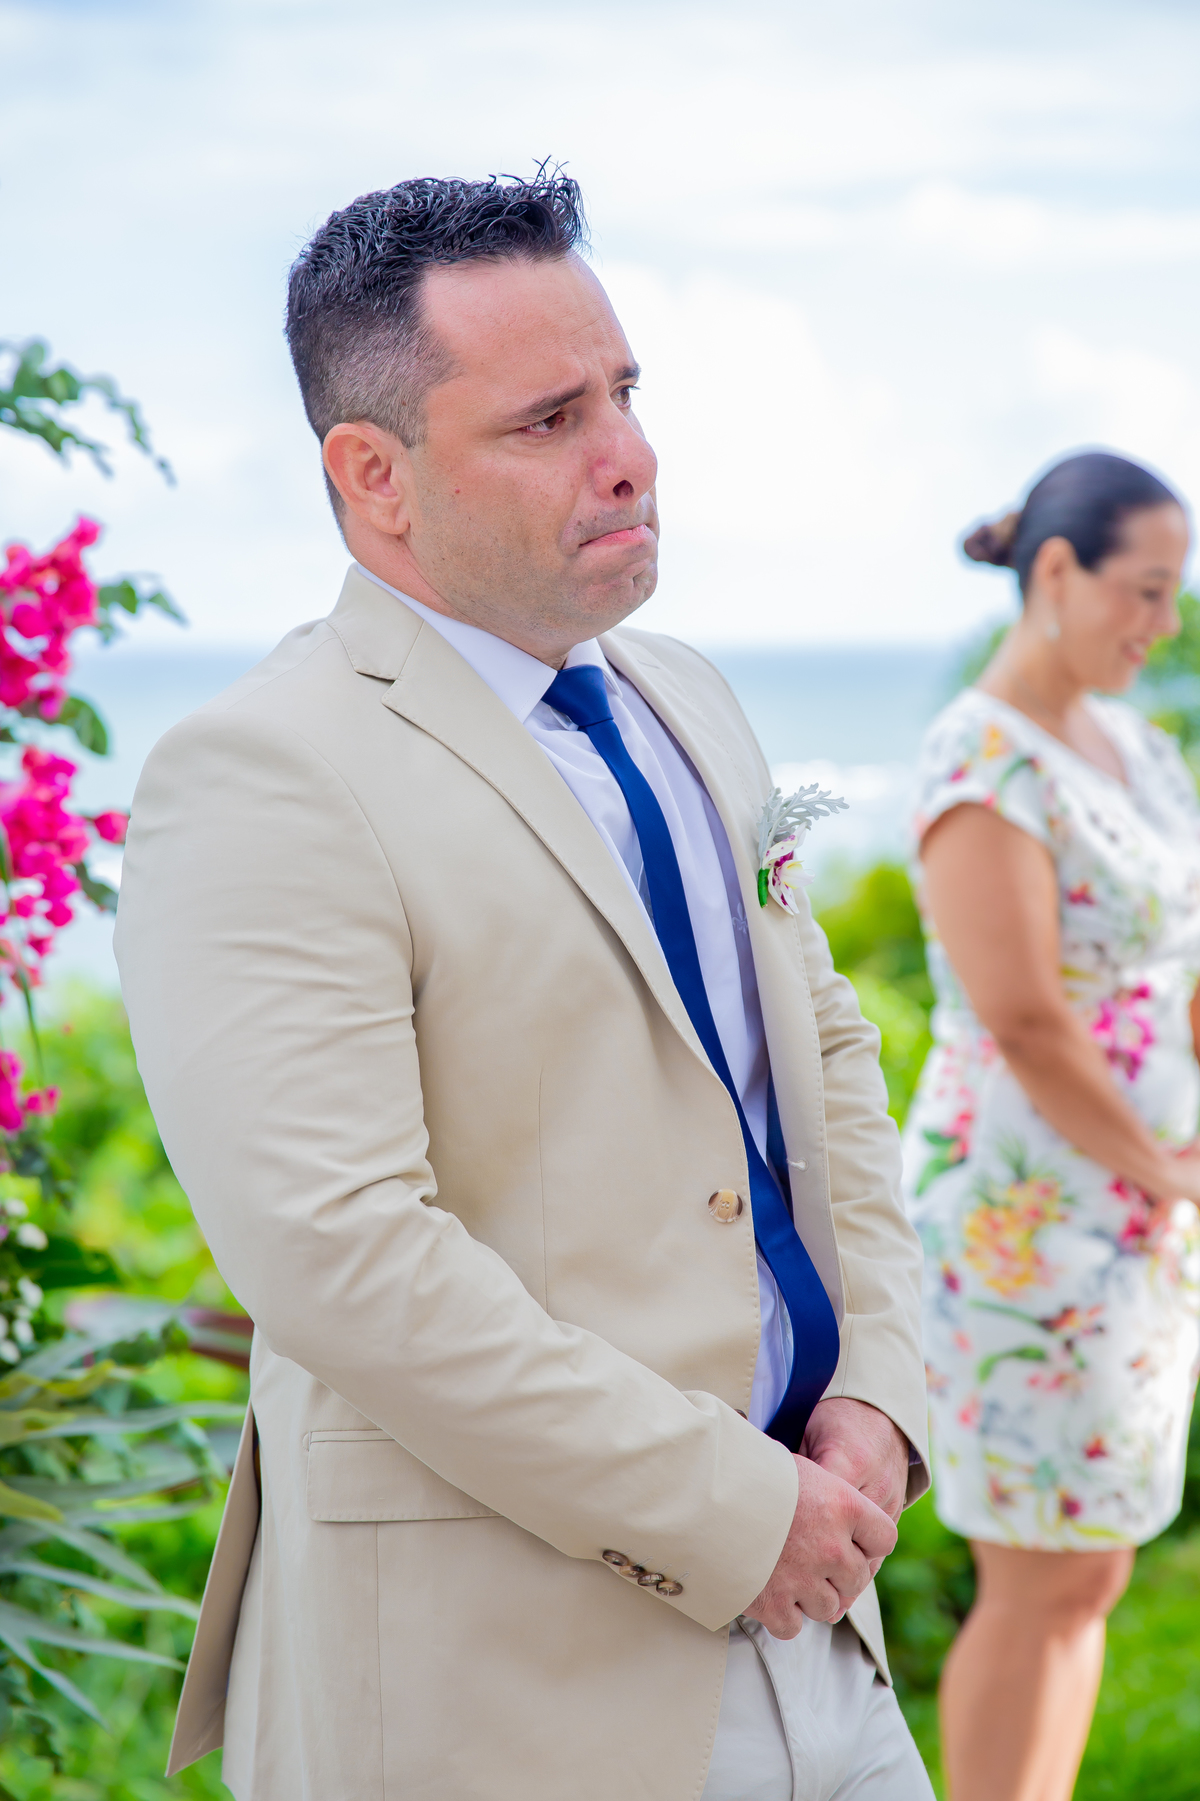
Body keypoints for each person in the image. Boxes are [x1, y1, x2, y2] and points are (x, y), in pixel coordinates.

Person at [115, 170, 932, 1801]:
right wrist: (730, 1507)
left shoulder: (685, 692)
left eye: (625, 392)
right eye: (550, 417)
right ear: (376, 478)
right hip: (499, 1689)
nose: (627, 450)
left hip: (827, 1649)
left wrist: (877, 1395)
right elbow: (342, 1257)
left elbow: (819, 1049)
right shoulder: (264, 772)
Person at [901, 450, 1200, 1801]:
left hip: (1140, 1207)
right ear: (1059, 571)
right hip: (1031, 1217)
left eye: (1177, 592)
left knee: (1092, 1564)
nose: (1167, 621)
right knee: (1034, 1566)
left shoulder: (1131, 741)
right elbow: (1024, 1014)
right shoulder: (980, 757)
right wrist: (1171, 1171)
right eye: (1146, 589)